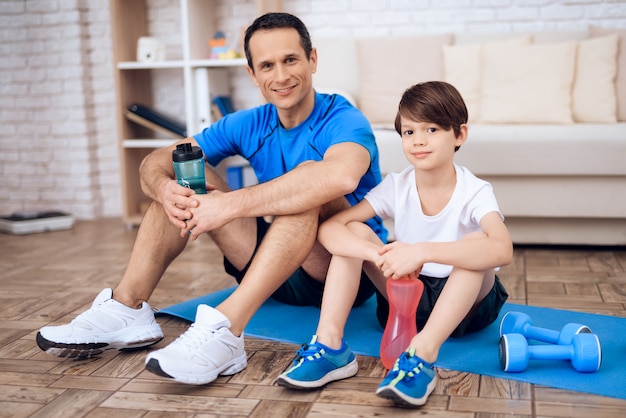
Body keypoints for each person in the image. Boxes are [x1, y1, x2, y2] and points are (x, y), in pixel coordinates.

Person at [35, 12, 387, 385]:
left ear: (312, 59)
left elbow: (341, 176)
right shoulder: (249, 122)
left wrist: (228, 206)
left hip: (338, 268)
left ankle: (228, 330)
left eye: (290, 60)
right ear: (252, 75)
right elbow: (158, 160)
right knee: (182, 172)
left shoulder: (344, 119)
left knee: (309, 187)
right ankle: (127, 307)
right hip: (273, 259)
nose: (281, 76)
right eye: (267, 65)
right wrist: (165, 189)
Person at [276, 81, 512, 407]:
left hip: (467, 305)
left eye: (431, 129)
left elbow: (503, 249)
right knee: (354, 233)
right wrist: (377, 252)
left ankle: (421, 356)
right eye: (409, 132)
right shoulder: (397, 186)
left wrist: (421, 251)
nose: (418, 141)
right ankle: (330, 346)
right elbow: (330, 229)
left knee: (477, 243)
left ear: (459, 135)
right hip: (405, 298)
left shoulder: (475, 191)